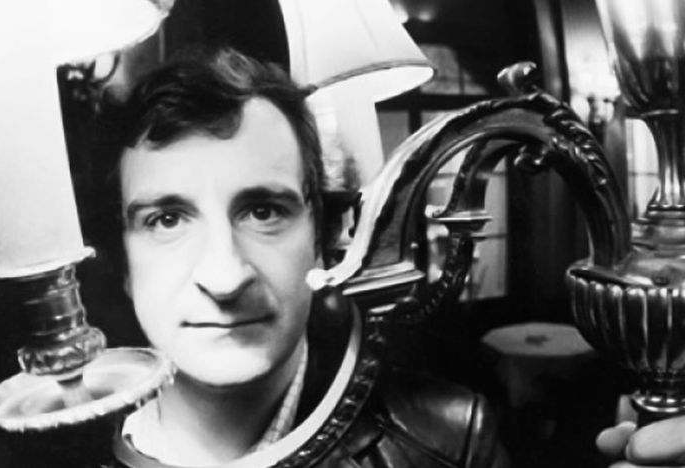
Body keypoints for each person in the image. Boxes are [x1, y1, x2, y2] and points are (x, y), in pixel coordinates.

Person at [90, 46, 509, 467]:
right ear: (123, 262)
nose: (225, 278)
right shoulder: (64, 452)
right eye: (166, 220)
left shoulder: (451, 446)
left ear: (320, 238)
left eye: (263, 212)